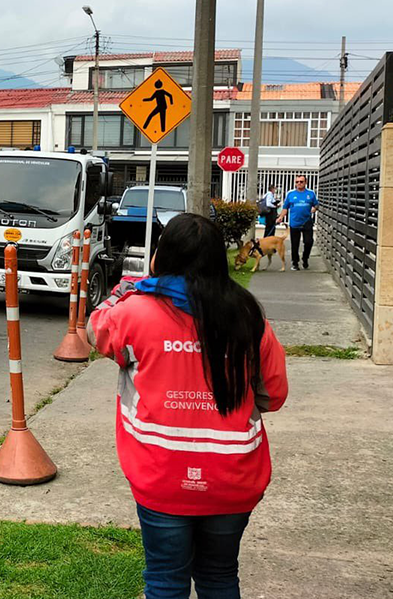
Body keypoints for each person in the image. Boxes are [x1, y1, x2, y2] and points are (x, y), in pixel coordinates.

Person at [88, 213, 288, 599]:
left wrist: (124, 290)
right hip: (233, 476)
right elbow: (273, 395)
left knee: (164, 580)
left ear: (162, 257)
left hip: (160, 475)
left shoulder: (134, 311)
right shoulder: (249, 315)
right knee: (219, 577)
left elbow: (98, 331)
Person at [276, 175, 318, 270]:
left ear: (305, 183)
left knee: (308, 242)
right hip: (295, 223)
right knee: (295, 244)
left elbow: (316, 205)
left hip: (307, 222)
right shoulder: (290, 194)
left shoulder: (311, 194)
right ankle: (295, 263)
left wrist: (314, 209)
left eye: (301, 181)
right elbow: (285, 207)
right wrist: (281, 217)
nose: (299, 183)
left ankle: (305, 258)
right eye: (297, 182)